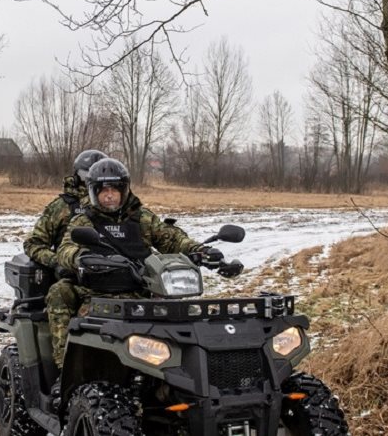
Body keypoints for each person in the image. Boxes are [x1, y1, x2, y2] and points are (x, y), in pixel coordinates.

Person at [46, 157, 232, 369]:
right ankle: (64, 367)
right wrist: (81, 257)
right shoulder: (83, 220)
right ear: (93, 192)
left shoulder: (141, 217)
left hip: (141, 291)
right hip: (94, 293)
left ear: (124, 191)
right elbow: (65, 249)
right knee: (58, 292)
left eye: (115, 190)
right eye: (103, 190)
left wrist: (201, 251)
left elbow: (171, 238)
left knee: (184, 319)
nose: (109, 195)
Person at [22, 149, 107, 269]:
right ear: (77, 176)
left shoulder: (115, 205)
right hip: (73, 272)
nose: (91, 180)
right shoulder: (61, 207)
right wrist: (57, 262)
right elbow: (33, 244)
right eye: (86, 175)